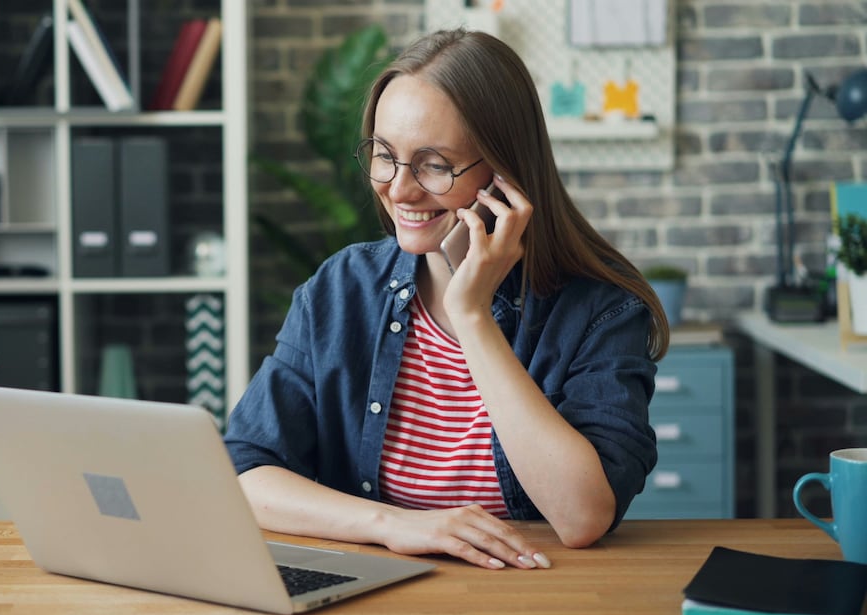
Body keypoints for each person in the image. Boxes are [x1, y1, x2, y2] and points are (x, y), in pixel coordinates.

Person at [223, 28, 669, 571]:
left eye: (435, 164)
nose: (400, 189)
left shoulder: (600, 308)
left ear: (505, 173)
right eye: (385, 155)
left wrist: (473, 314)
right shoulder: (341, 289)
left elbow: (581, 518)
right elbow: (246, 473)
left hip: (539, 595)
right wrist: (393, 524)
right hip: (381, 591)